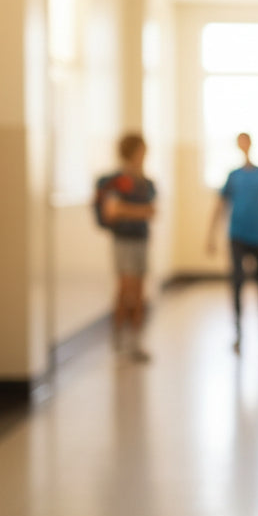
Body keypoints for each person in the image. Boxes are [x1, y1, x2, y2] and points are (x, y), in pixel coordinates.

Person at [206, 132, 258, 353]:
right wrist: (210, 235)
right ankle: (238, 329)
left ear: (250, 143)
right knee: (237, 280)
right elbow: (220, 205)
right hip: (237, 235)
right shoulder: (233, 176)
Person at [102, 132, 157, 363]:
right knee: (125, 289)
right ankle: (119, 339)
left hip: (141, 239)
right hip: (123, 241)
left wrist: (129, 210)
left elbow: (152, 211)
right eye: (141, 150)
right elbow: (112, 211)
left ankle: (136, 341)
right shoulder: (117, 181)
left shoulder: (146, 183)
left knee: (140, 290)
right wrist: (138, 212)